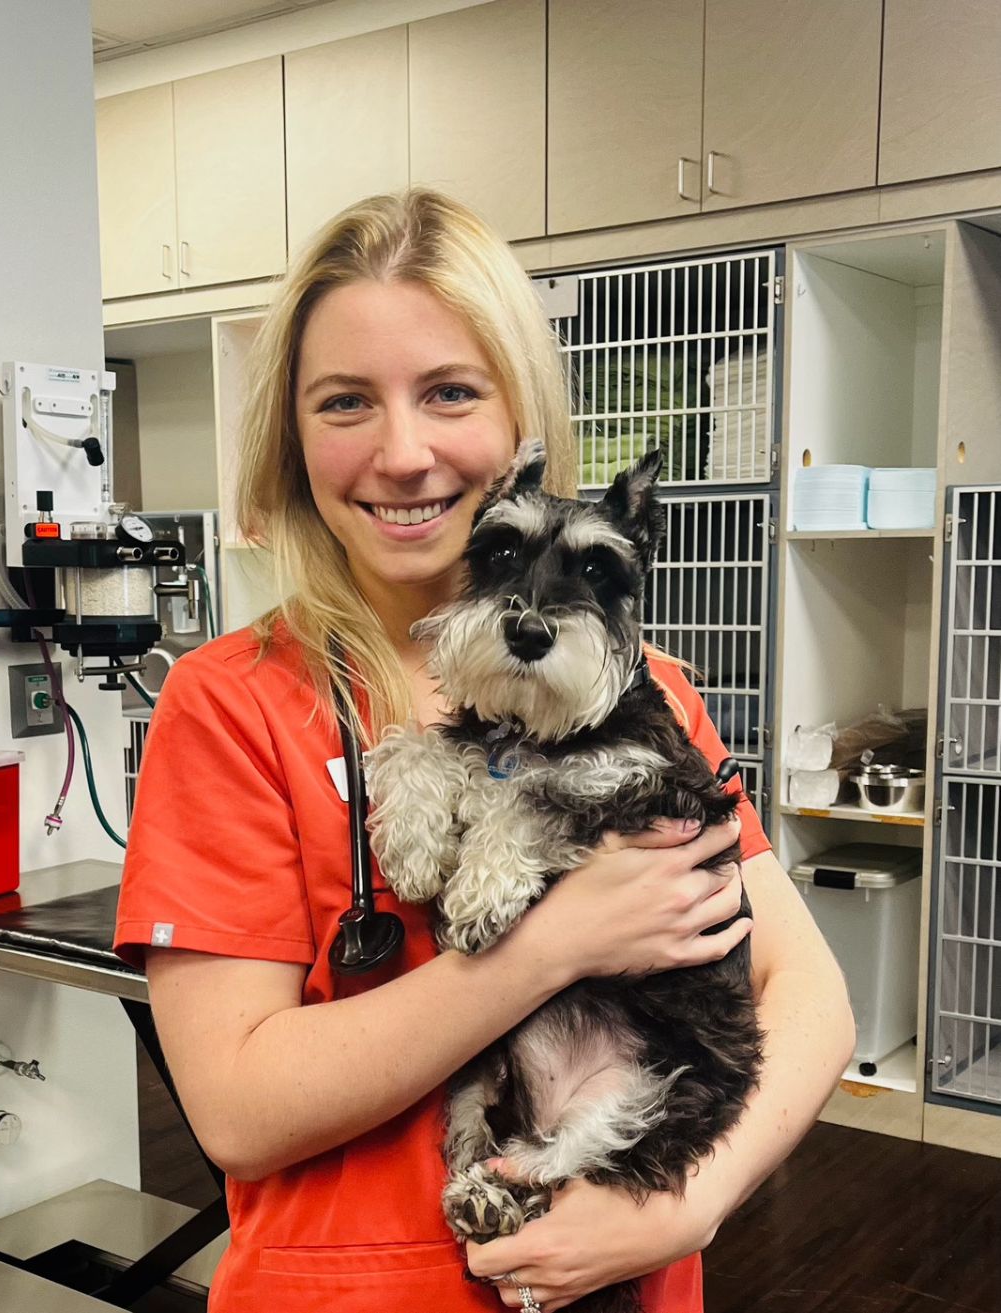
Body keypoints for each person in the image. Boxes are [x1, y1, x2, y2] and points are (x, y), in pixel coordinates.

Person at [114, 189, 855, 1313]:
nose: (403, 453)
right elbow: (235, 1109)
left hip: (622, 1272)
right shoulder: (231, 706)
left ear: (520, 419)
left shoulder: (646, 696)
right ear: (292, 436)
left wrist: (690, 1200)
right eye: (345, 401)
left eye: (450, 391)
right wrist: (549, 943)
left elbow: (807, 991)